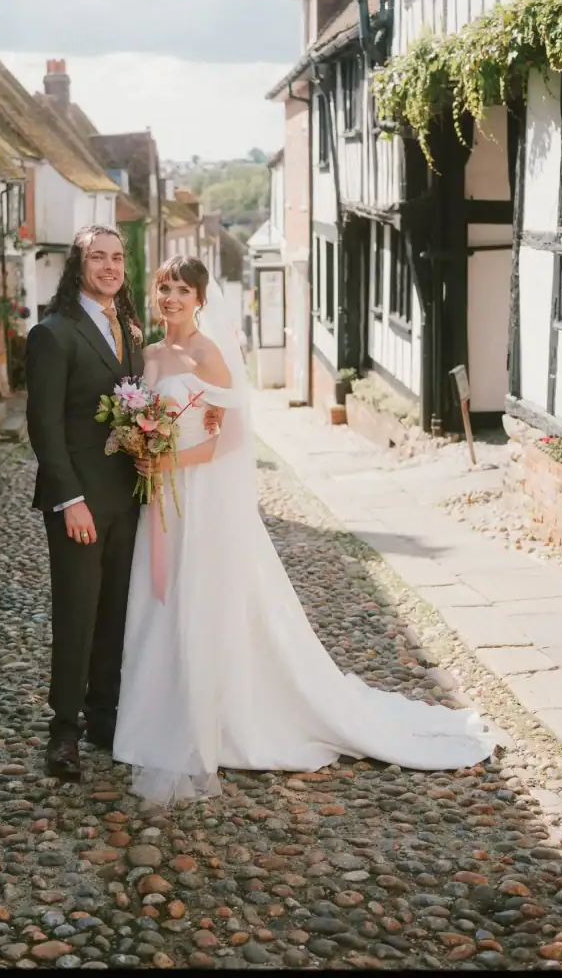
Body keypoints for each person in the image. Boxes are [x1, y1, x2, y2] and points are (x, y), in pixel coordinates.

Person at [113, 255, 496, 808]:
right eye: (163, 286)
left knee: (199, 599)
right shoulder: (149, 352)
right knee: (159, 598)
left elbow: (232, 439)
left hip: (199, 500)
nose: (170, 297)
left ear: (200, 299)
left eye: (181, 289)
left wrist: (169, 461)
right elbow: (145, 416)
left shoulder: (209, 355)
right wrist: (140, 447)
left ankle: (215, 717)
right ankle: (150, 719)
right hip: (161, 504)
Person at [26, 225, 220, 782]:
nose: (110, 266)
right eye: (98, 257)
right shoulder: (53, 333)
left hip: (132, 499)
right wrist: (71, 501)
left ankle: (104, 718)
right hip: (81, 503)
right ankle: (63, 734)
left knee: (116, 614)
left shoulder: (133, 334)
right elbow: (44, 428)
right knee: (77, 615)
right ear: (78, 265)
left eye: (117, 257)